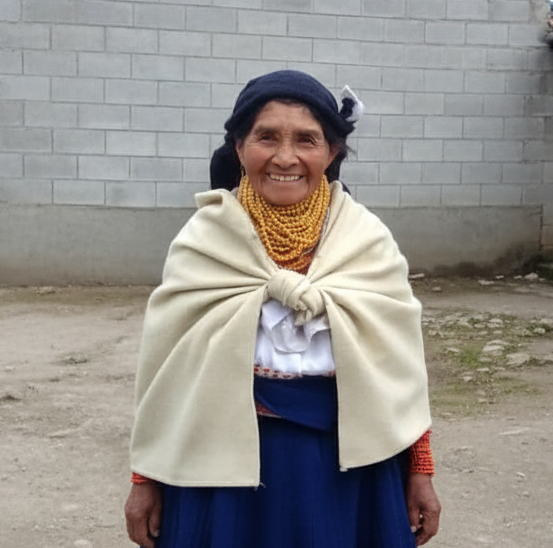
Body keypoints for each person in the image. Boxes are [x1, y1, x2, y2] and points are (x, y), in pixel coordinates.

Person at [124, 70, 441, 548]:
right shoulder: (202, 243)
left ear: (332, 152)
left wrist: (420, 469)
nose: (285, 157)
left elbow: (399, 372)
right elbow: (166, 377)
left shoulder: (367, 243)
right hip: (217, 471)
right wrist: (144, 479)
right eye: (266, 137)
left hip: (348, 470)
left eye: (307, 140)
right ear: (239, 147)